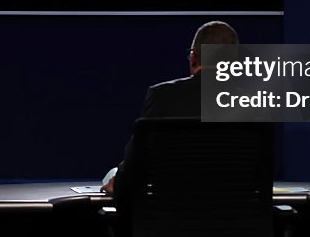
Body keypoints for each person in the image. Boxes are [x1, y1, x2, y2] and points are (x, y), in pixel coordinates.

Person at [102, 20, 239, 198]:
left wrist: (119, 184)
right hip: (235, 220)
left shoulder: (162, 96)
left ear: (193, 58)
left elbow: (133, 169)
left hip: (168, 220)